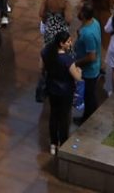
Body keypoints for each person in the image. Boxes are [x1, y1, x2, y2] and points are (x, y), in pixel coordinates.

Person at [41, 28, 80, 156]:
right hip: (65, 93)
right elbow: (77, 77)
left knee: (53, 116)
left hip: (52, 90)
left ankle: (53, 143)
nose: (70, 43)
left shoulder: (48, 54)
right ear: (61, 44)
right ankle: (62, 143)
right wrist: (79, 71)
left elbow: (43, 66)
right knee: (64, 118)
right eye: (68, 42)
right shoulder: (67, 60)